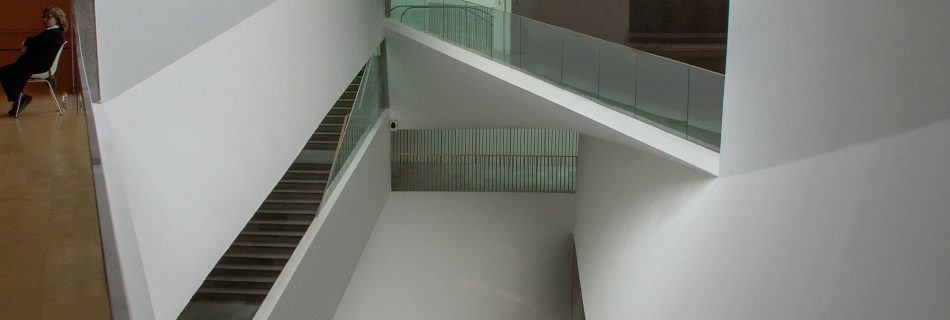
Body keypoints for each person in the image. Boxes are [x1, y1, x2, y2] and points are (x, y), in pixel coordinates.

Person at [0, 6, 67, 116]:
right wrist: (28, 45)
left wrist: (26, 44)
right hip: (40, 65)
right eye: (44, 17)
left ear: (57, 19)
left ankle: (19, 97)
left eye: (48, 17)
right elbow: (37, 42)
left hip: (39, 66)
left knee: (3, 72)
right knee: (7, 71)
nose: (45, 19)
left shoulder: (53, 33)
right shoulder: (55, 33)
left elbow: (32, 41)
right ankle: (19, 98)